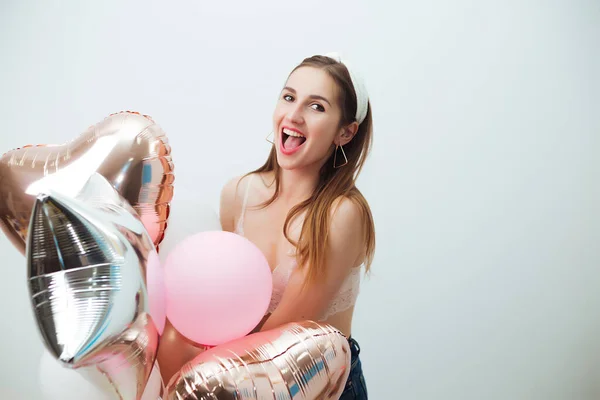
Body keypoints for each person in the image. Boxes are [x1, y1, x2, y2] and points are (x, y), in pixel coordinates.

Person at [219, 52, 375, 399]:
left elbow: (285, 330)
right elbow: (223, 302)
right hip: (242, 382)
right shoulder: (237, 195)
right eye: (289, 97)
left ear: (346, 133)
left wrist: (207, 371)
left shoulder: (342, 214)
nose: (294, 115)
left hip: (322, 388)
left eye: (316, 107)